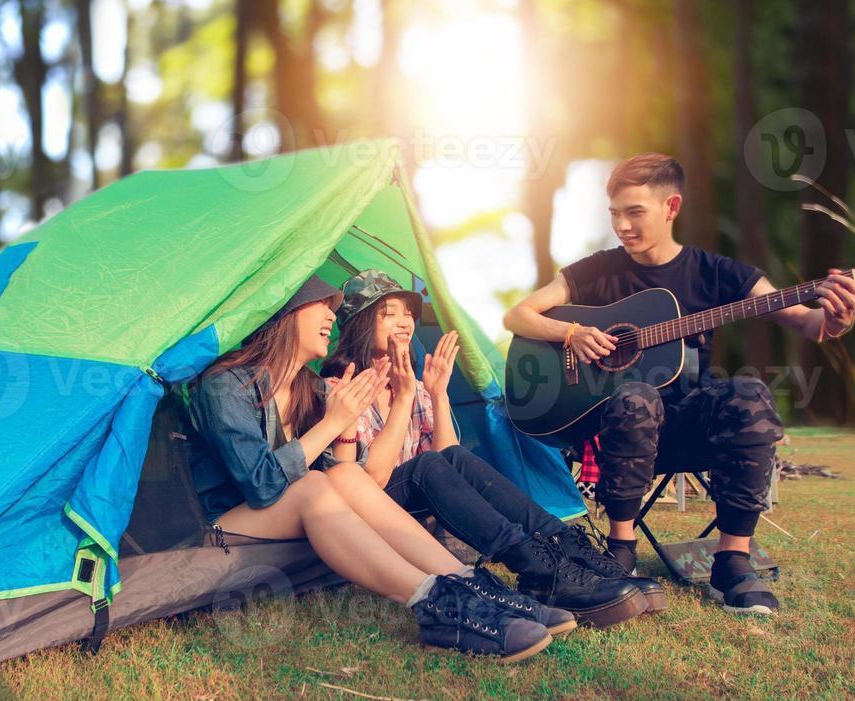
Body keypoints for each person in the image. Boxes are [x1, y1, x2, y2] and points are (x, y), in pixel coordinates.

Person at [504, 153, 855, 614]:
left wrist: (838, 321)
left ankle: (733, 560)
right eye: (614, 213)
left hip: (686, 430)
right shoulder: (597, 271)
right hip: (615, 436)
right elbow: (517, 315)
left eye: (635, 212)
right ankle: (621, 550)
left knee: (751, 394)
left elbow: (807, 323)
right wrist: (572, 332)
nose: (622, 226)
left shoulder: (715, 272)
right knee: (636, 396)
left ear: (671, 207)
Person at [187, 276, 574, 663]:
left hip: (287, 512)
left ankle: (470, 583)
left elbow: (346, 477)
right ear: (284, 311)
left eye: (334, 307)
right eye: (321, 304)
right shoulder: (226, 384)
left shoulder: (312, 389)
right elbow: (261, 485)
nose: (331, 315)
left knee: (340, 475)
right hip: (226, 524)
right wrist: (332, 424)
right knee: (314, 487)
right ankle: (434, 603)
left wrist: (346, 428)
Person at [320, 270, 660, 628]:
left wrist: (436, 395)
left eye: (408, 313)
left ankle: (570, 551)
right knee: (426, 466)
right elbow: (369, 480)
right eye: (388, 313)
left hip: (410, 498)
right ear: (359, 323)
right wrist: (404, 398)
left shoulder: (414, 388)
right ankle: (537, 568)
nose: (405, 322)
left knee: (444, 459)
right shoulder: (340, 386)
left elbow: (451, 463)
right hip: (369, 508)